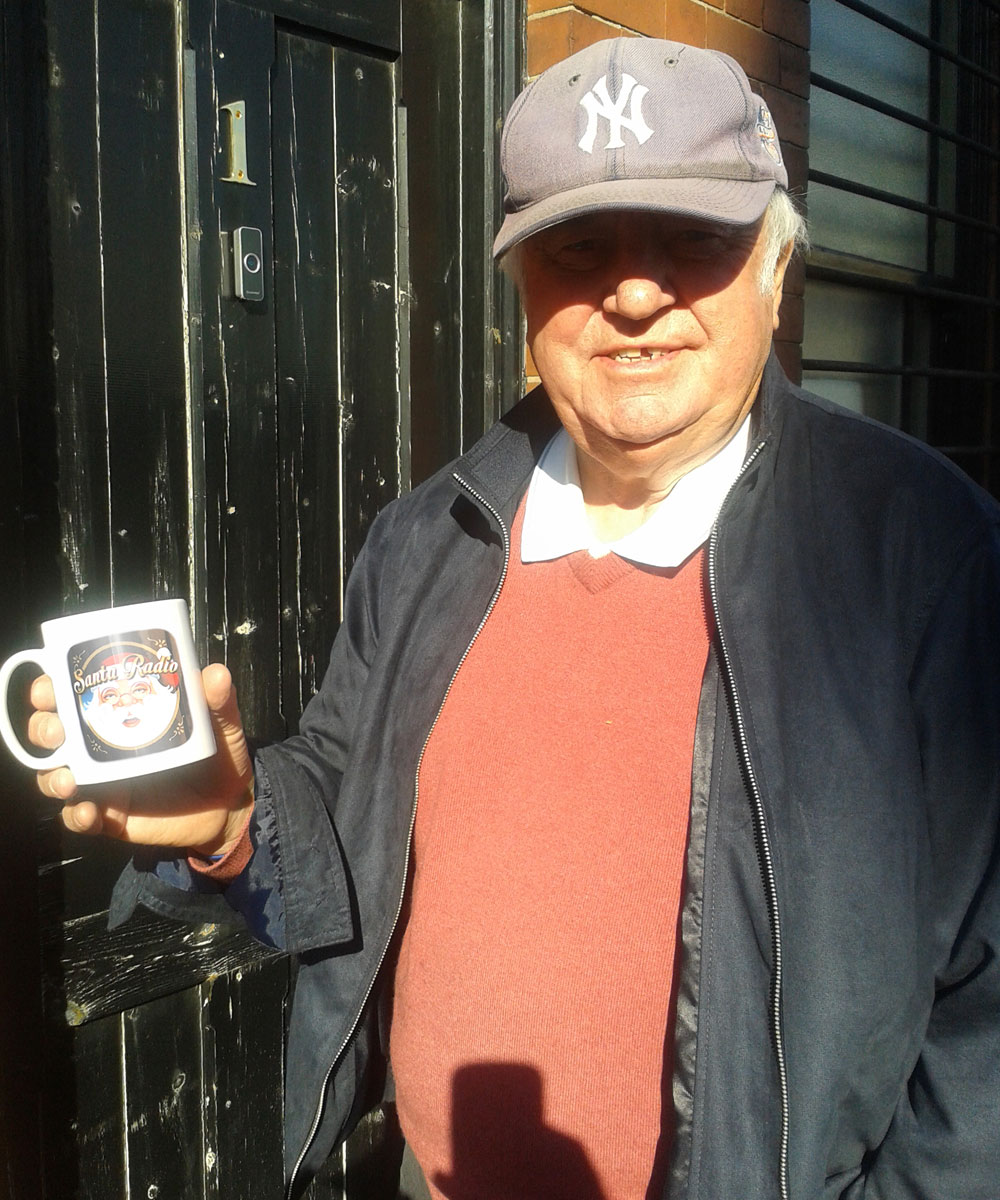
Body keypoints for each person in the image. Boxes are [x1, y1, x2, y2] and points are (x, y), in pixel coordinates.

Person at [26, 37, 1000, 1200]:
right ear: (522, 289)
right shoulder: (431, 536)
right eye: (579, 248)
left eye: (694, 239)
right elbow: (344, 826)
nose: (634, 294)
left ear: (776, 269)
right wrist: (231, 823)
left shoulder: (927, 551)